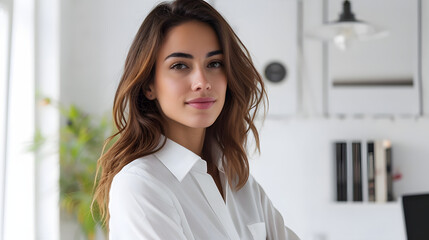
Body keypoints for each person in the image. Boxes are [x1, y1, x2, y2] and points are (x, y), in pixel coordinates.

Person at [92, 0, 300, 239]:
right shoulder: (141, 185)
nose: (202, 81)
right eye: (180, 65)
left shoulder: (239, 183)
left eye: (214, 63)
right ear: (149, 85)